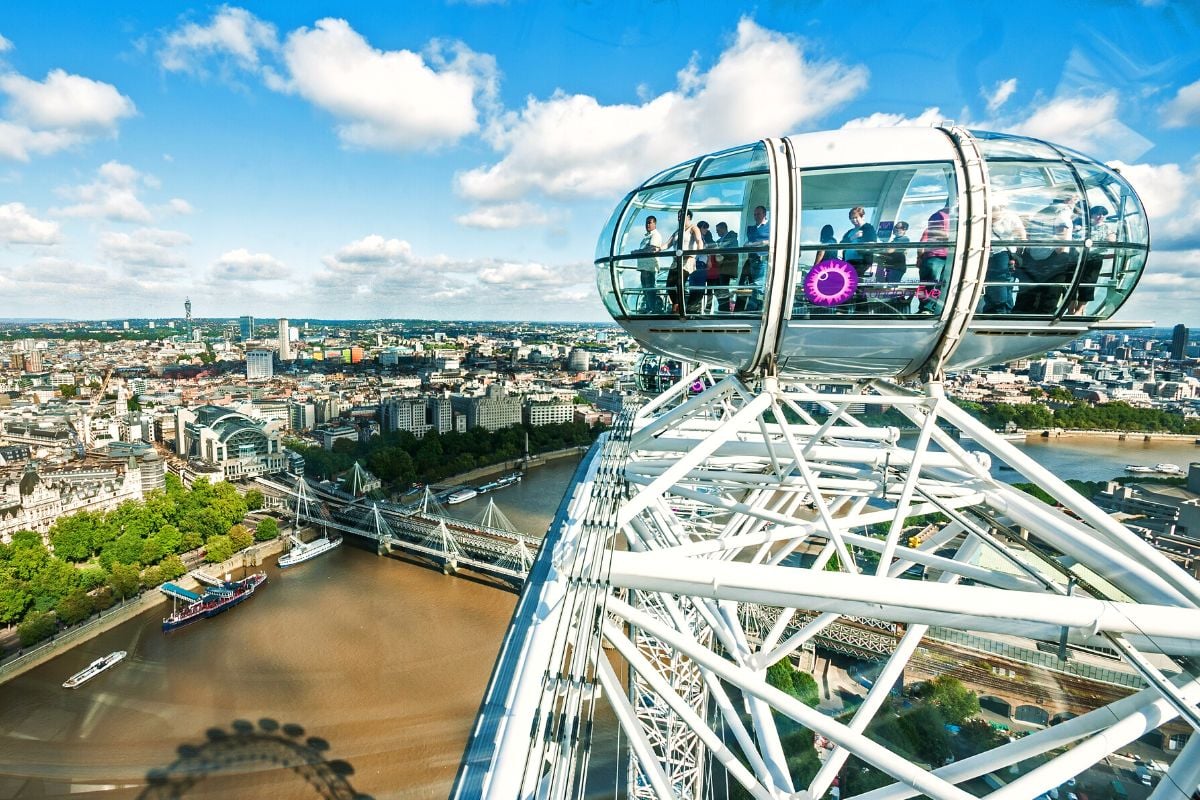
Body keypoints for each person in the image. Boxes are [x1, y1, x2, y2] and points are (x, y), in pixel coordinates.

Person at [1014, 211, 1076, 314]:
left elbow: (1027, 237)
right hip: (1052, 258)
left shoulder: (1037, 215)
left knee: (1029, 293)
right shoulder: (1062, 216)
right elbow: (1062, 241)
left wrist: (1020, 253)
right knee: (1049, 293)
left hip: (1034, 257)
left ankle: (1023, 314)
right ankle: (1044, 316)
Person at [981, 203, 1026, 314]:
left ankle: (1000, 310)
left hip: (1002, 253)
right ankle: (1001, 309)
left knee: (1000, 281)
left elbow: (1022, 235)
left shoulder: (1009, 217)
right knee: (1000, 282)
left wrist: (1018, 254)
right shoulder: (983, 217)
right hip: (987, 254)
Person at [1070, 205, 1113, 314]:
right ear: (1092, 215)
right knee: (1072, 281)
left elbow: (1111, 239)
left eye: (1103, 214)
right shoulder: (1083, 226)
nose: (1100, 216)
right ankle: (1071, 308)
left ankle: (1079, 310)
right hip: (1078, 257)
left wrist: (1111, 238)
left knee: (1089, 283)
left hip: (1094, 259)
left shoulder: (1107, 228)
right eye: (1098, 214)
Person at [665, 210, 704, 313]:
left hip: (687, 261)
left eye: (681, 216)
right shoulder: (677, 231)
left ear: (689, 217)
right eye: (678, 216)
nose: (679, 218)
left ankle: (679, 308)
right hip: (676, 262)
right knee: (669, 285)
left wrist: (699, 251)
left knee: (679, 283)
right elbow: (667, 244)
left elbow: (699, 240)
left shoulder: (693, 228)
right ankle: (676, 304)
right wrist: (657, 249)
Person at [916, 207, 951, 314]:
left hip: (949, 256)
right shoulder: (939, 216)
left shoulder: (956, 217)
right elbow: (922, 243)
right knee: (931, 282)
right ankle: (926, 308)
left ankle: (932, 308)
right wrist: (920, 257)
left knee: (939, 284)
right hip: (935, 255)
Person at [739, 205, 770, 311]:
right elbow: (746, 244)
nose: (756, 216)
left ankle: (752, 309)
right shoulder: (751, 229)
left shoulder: (771, 227)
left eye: (758, 214)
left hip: (763, 260)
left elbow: (769, 242)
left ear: (764, 214)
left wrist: (757, 244)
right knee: (756, 285)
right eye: (755, 214)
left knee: (759, 285)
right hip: (752, 260)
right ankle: (757, 309)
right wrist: (759, 243)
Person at [635, 215, 663, 313]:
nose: (648, 224)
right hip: (644, 267)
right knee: (646, 289)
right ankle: (649, 307)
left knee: (650, 289)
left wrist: (637, 252)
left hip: (650, 267)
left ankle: (652, 308)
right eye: (647, 222)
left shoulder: (655, 235)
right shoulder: (647, 236)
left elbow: (652, 249)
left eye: (650, 222)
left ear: (655, 224)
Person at [840, 206, 878, 278]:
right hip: (848, 261)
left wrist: (860, 249)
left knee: (853, 282)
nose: (854, 220)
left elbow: (872, 243)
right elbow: (841, 244)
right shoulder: (850, 232)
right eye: (851, 218)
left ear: (862, 216)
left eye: (856, 217)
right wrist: (853, 237)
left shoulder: (868, 228)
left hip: (860, 262)